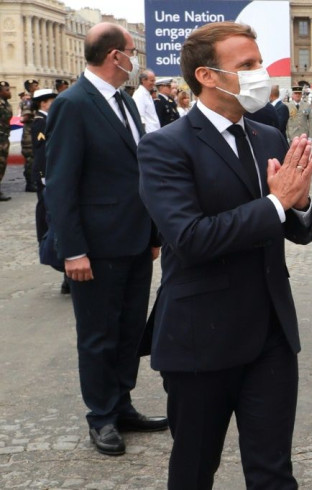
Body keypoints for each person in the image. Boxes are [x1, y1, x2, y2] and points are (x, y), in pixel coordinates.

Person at [137, 21, 312, 489]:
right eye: (248, 65)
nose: (262, 72)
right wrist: (277, 203)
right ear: (208, 76)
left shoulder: (268, 137)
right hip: (201, 338)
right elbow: (192, 238)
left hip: (271, 335)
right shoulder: (165, 147)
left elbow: (299, 229)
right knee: (196, 470)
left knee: (274, 473)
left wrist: (299, 206)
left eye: (259, 61)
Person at [45, 22, 167, 457]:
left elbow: (137, 175)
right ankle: (101, 417)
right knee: (98, 335)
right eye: (132, 52)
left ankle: (122, 404)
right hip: (95, 248)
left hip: (134, 242)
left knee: (129, 330)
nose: (136, 60)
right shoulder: (73, 104)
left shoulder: (125, 103)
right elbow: (60, 184)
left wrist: (152, 233)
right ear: (115, 56)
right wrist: (72, 250)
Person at [30, 88, 69, 294]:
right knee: (51, 216)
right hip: (46, 174)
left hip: (51, 173)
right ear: (43, 103)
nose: (54, 103)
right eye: (52, 101)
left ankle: (67, 277)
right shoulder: (40, 121)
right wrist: (46, 173)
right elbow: (42, 151)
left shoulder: (49, 119)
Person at [20, 79, 39, 192]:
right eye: (36, 86)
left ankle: (34, 181)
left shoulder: (35, 100)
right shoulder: (29, 101)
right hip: (29, 133)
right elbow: (26, 116)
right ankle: (30, 183)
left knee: (35, 158)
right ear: (31, 88)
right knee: (30, 159)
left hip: (34, 131)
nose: (38, 88)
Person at [0, 81, 12, 201]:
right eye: (7, 90)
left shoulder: (6, 104)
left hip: (4, 138)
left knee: (2, 164)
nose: (9, 92)